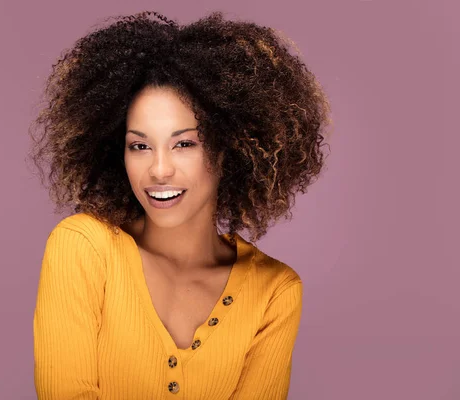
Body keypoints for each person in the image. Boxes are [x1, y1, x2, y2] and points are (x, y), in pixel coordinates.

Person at [28, 10, 332, 400]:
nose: (158, 169)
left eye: (184, 144)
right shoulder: (82, 248)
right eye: (139, 146)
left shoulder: (274, 291)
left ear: (228, 150)